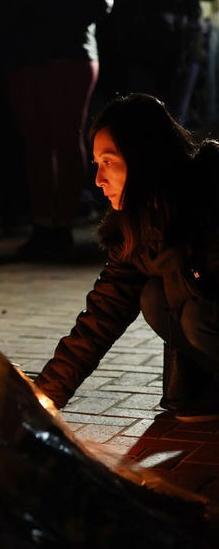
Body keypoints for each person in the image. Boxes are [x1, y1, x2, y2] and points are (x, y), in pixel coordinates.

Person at [34, 92, 219, 421]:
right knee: (154, 296)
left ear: (142, 158)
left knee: (192, 312)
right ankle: (202, 386)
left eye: (108, 162)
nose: (99, 180)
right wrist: (45, 397)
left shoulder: (209, 194)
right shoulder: (138, 223)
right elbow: (102, 316)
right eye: (96, 164)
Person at [0, 0, 113, 261]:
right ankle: (47, 225)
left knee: (63, 138)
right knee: (39, 141)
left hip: (64, 49)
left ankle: (58, 225)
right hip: (35, 51)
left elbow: (100, 3)